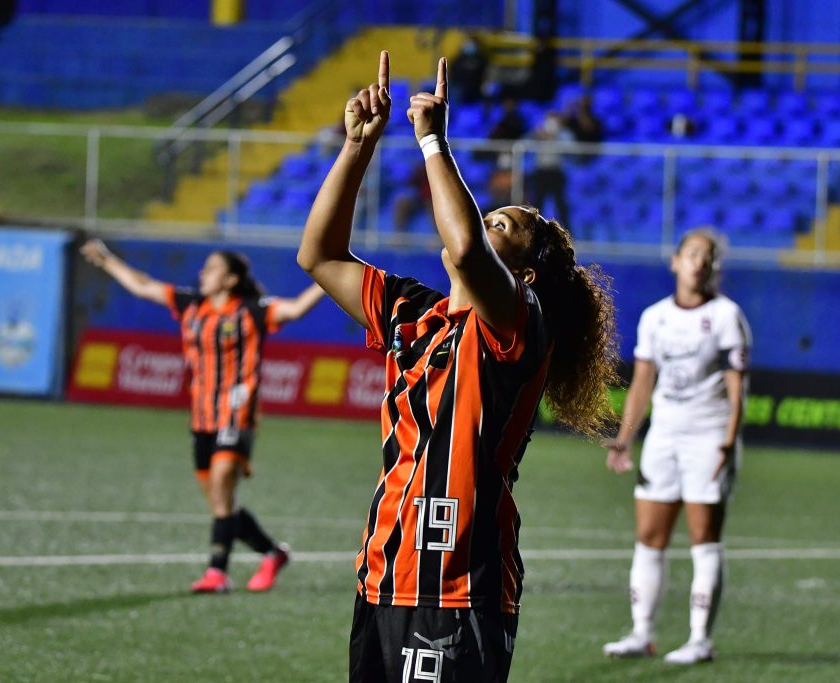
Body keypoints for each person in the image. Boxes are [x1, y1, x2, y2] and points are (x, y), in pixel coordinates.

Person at [297, 51, 619, 682]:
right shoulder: (415, 313)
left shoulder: (521, 326)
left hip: (460, 584)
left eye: (504, 224)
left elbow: (468, 248)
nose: (483, 223)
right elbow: (319, 254)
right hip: (386, 572)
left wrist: (431, 142)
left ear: (523, 275)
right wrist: (358, 147)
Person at [80, 239, 325, 593]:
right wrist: (106, 261)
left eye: (212, 268)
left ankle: (217, 573)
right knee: (220, 503)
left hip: (236, 414)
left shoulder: (253, 310)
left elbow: (297, 309)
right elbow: (144, 285)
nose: (203, 273)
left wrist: (329, 275)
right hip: (201, 419)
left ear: (230, 280)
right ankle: (272, 553)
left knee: (224, 478)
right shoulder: (191, 305)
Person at [601, 227, 751, 665]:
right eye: (692, 254)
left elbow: (738, 389)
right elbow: (644, 381)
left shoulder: (726, 316)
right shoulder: (655, 317)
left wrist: (728, 441)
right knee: (649, 537)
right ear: (676, 261)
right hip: (664, 436)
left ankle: (700, 639)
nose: (699, 262)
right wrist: (626, 437)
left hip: (709, 435)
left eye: (707, 257)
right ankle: (641, 633)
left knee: (704, 539)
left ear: (714, 267)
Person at [528, 110, 574, 227]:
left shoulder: (564, 134)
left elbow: (570, 148)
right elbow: (526, 145)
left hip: (556, 172)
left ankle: (567, 231)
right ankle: (535, 228)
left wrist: (555, 138)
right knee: (538, 202)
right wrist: (537, 136)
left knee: (561, 203)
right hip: (541, 172)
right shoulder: (537, 132)